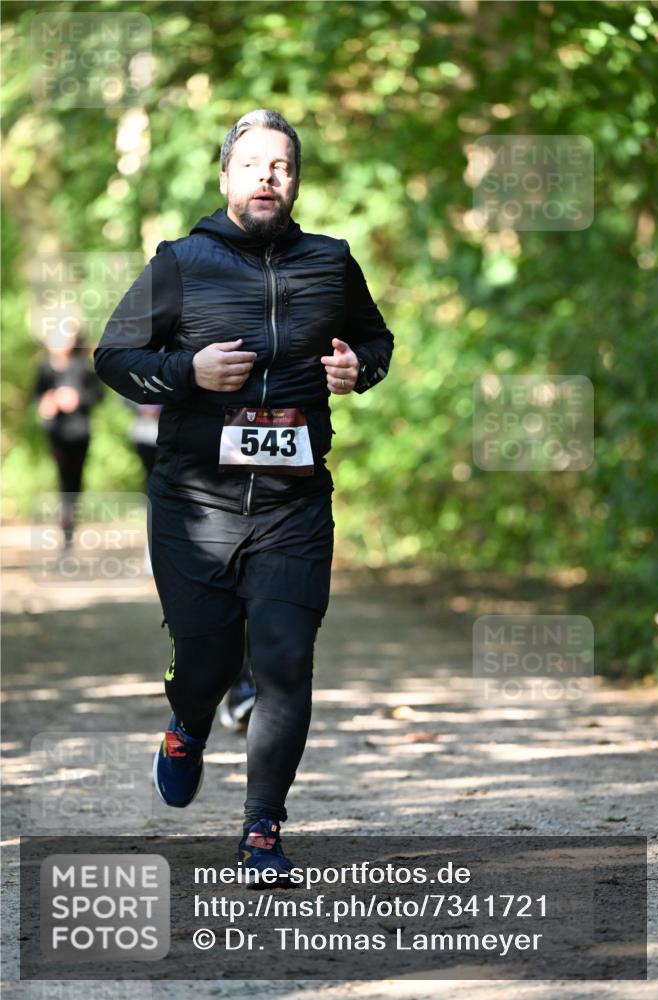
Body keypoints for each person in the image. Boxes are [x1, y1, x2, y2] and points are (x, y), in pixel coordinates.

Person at [94, 109, 393, 880]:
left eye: (281, 166)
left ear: (295, 182)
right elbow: (114, 356)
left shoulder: (331, 262)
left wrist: (356, 369)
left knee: (285, 660)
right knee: (205, 661)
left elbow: (376, 342)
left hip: (294, 505)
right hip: (195, 502)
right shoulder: (180, 262)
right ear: (226, 176)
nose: (268, 175)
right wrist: (186, 372)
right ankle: (187, 726)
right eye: (253, 163)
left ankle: (262, 829)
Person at [34, 329, 103, 552]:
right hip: (56, 434)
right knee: (64, 481)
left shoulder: (82, 367)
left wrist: (77, 399)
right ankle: (66, 533)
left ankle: (70, 529)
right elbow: (37, 397)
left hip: (79, 433)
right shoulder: (45, 368)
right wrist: (47, 403)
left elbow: (97, 395)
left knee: (75, 482)